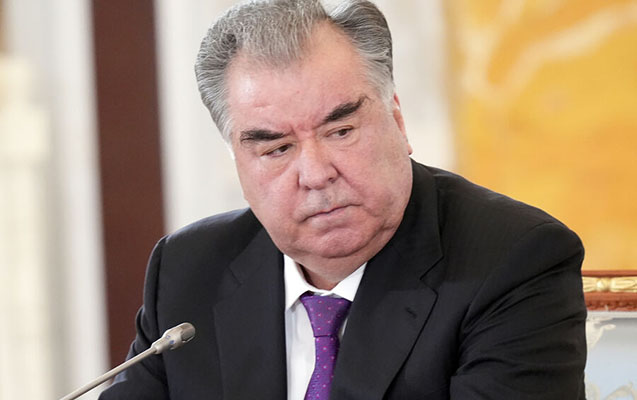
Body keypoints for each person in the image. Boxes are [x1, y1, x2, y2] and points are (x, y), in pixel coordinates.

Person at [99, 0, 587, 399]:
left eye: (341, 130)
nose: (316, 174)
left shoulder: (512, 261)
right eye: (276, 149)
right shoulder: (190, 269)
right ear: (238, 161)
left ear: (397, 119)